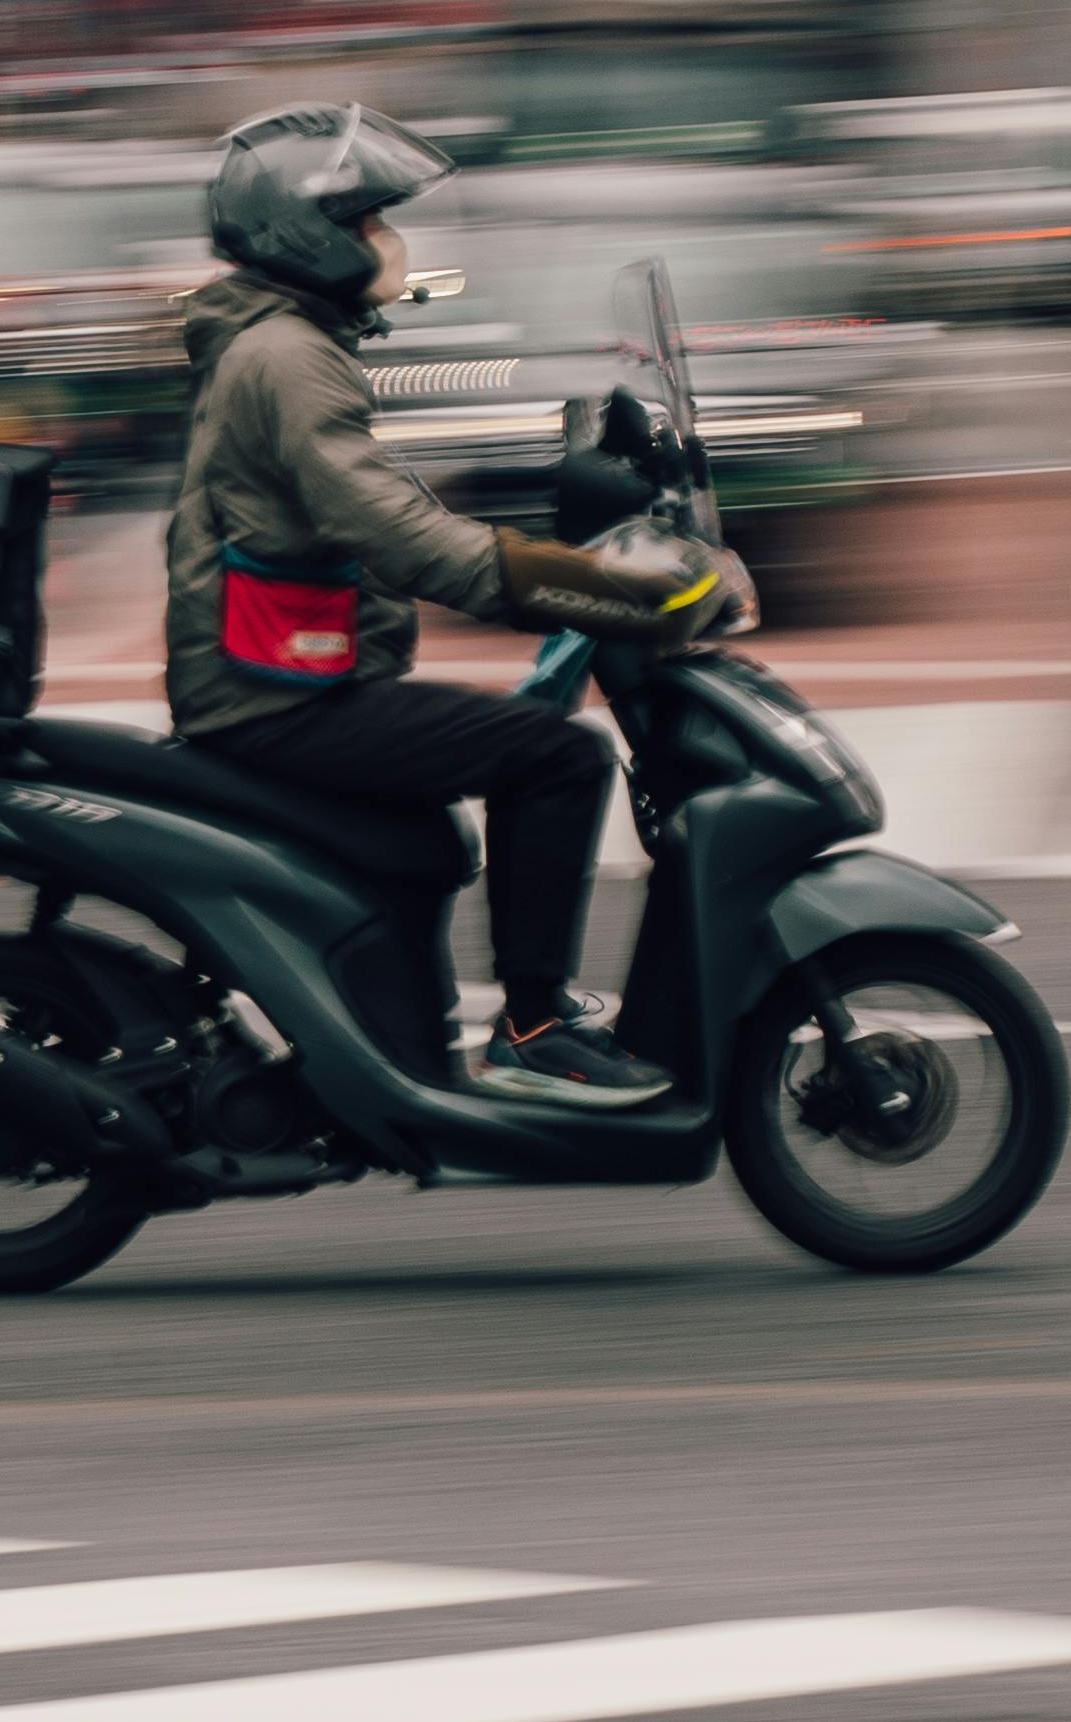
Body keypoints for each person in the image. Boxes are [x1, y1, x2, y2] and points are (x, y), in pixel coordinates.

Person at [166, 101, 728, 1109]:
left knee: (431, 838)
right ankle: (534, 1026)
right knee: (558, 754)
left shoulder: (288, 345)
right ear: (310, 233)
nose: (391, 239)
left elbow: (380, 503)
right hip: (277, 701)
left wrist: (574, 514)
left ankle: (404, 1055)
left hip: (290, 681)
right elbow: (400, 535)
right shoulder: (287, 358)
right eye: (370, 219)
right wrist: (596, 588)